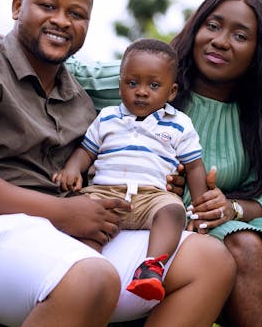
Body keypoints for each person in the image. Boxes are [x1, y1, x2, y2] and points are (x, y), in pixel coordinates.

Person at [0, 0, 262, 326]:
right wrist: (0, 38)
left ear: (258, 50)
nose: (219, 40)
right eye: (212, 26)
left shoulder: (260, 116)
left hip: (222, 222)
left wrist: (230, 208)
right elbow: (63, 62)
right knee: (245, 248)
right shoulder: (152, 81)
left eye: (239, 35)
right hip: (156, 222)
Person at [0, 0, 235, 327]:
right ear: (18, 7)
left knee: (211, 260)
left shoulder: (79, 99)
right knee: (91, 277)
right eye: (48, 6)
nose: (62, 21)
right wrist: (63, 213)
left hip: (60, 239)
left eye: (77, 14)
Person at [53, 37, 207, 302]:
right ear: (120, 83)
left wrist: (200, 207)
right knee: (84, 214)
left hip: (151, 197)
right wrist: (72, 168)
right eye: (132, 83)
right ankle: (81, 272)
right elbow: (86, 151)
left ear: (171, 92)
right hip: (105, 193)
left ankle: (151, 267)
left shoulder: (179, 124)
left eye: (154, 85)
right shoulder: (108, 117)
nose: (142, 91)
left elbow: (194, 167)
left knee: (172, 211)